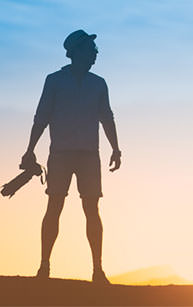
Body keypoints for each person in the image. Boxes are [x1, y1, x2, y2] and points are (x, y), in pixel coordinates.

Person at [21, 29, 121, 285]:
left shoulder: (99, 83)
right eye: (90, 48)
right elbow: (41, 117)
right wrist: (30, 149)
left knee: (91, 209)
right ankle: (45, 266)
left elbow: (106, 117)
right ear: (75, 52)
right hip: (62, 154)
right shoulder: (54, 81)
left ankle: (97, 270)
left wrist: (116, 148)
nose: (95, 53)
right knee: (55, 206)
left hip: (88, 154)